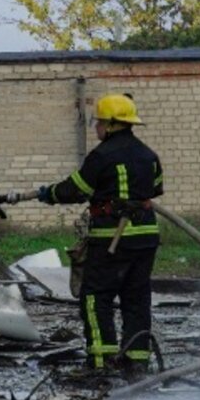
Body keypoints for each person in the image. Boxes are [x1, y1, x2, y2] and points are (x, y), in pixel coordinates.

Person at [37, 93, 163, 378]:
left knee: (96, 297)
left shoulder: (102, 155)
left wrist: (50, 194)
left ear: (112, 124)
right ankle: (136, 362)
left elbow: (76, 189)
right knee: (136, 298)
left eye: (99, 122)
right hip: (146, 237)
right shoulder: (149, 155)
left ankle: (101, 361)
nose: (96, 127)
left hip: (111, 239)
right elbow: (155, 189)